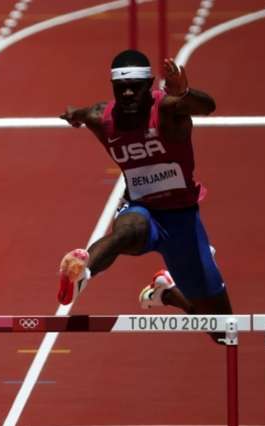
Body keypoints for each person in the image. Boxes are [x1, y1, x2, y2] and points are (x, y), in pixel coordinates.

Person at [57, 50, 232, 338]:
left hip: (182, 223)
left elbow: (208, 106)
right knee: (128, 229)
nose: (127, 93)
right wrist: (73, 115)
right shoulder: (101, 118)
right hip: (142, 210)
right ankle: (82, 274)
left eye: (135, 87)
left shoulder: (168, 110)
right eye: (120, 87)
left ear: (149, 85)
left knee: (224, 333)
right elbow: (83, 113)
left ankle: (167, 292)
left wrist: (185, 92)